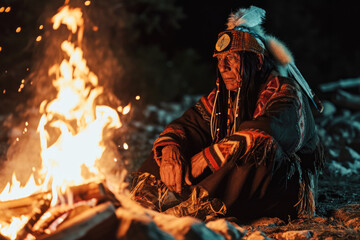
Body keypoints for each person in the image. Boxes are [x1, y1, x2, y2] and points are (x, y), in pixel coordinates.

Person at [130, 5, 324, 222]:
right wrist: (170, 153)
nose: (224, 67)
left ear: (257, 62)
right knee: (174, 145)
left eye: (232, 58)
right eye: (220, 60)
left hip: (285, 188)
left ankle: (197, 206)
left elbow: (269, 132)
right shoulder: (224, 97)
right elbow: (187, 125)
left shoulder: (286, 90)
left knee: (260, 149)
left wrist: (207, 157)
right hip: (240, 184)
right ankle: (146, 198)